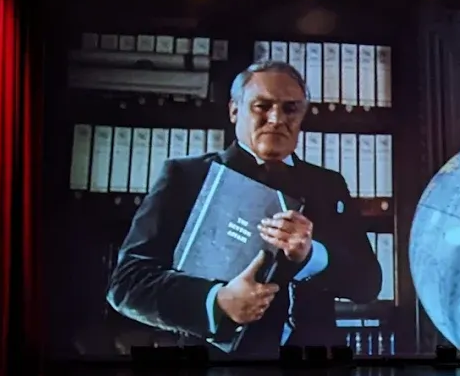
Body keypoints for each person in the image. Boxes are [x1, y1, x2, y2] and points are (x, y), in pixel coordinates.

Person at [106, 61, 381, 357]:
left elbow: (367, 284)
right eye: (262, 106)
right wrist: (218, 300)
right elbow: (126, 284)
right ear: (234, 110)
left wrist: (312, 255)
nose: (276, 119)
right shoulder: (185, 177)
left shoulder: (329, 185)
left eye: (290, 109)